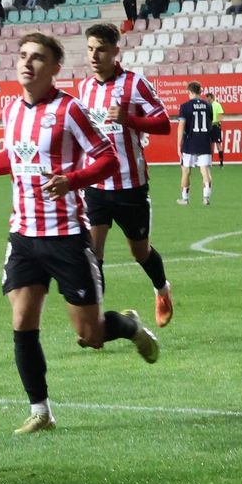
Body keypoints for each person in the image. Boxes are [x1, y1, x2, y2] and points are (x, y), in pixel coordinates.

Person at [0, 33, 160, 435]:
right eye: (22, 56)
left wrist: (71, 180)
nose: (27, 64)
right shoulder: (11, 111)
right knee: (22, 320)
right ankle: (41, 411)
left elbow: (107, 158)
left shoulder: (70, 111)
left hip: (66, 236)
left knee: (89, 335)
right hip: (23, 235)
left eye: (38, 58)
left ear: (55, 67)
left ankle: (129, 327)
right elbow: (13, 156)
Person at [76, 24, 175, 327]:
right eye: (91, 49)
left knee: (140, 252)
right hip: (95, 185)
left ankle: (162, 289)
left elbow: (164, 124)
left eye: (101, 49)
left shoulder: (136, 84)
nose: (95, 55)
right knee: (94, 253)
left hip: (130, 186)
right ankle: (98, 323)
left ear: (115, 51)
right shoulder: (84, 88)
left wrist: (130, 118)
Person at [176, 82, 215, 206]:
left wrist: (178, 145)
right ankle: (206, 197)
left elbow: (181, 126)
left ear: (191, 92)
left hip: (190, 143)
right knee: (205, 170)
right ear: (200, 92)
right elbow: (210, 124)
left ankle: (185, 198)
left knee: (186, 171)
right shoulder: (208, 106)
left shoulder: (185, 106)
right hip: (204, 142)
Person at [206, 90, 226, 164]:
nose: (206, 99)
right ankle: (209, 162)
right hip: (209, 127)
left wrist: (218, 122)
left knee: (218, 144)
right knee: (210, 145)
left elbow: (220, 116)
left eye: (207, 98)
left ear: (211, 98)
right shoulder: (207, 105)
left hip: (215, 126)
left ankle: (221, 163)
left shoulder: (217, 105)